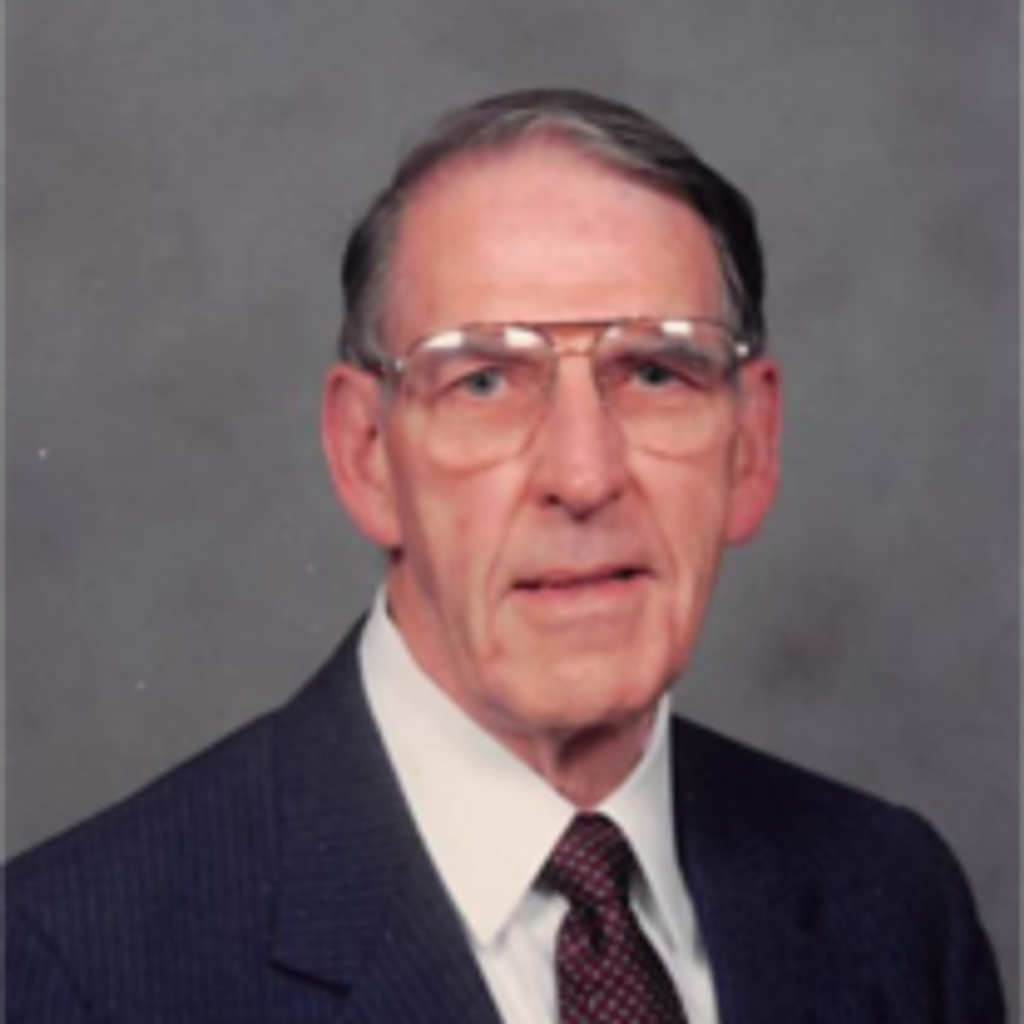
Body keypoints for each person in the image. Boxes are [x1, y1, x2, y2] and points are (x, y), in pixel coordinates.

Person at [0, 88, 1004, 1023]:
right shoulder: (77, 967)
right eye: (483, 381)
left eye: (655, 372)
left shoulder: (894, 906)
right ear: (365, 454)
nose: (583, 475)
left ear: (750, 446)